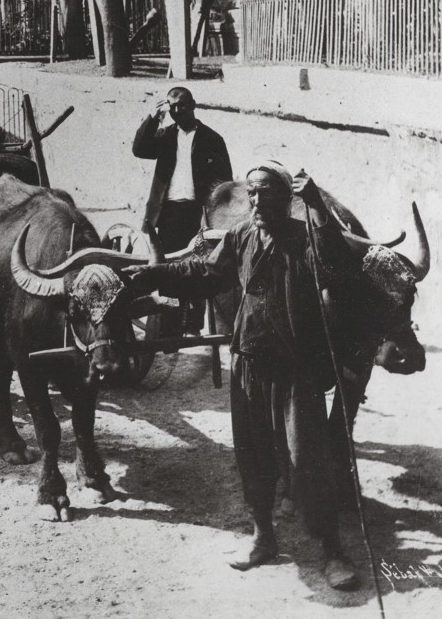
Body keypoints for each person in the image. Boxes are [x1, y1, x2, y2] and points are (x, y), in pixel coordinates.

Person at [122, 162, 361, 591]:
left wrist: (318, 204)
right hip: (249, 366)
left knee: (308, 461)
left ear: (287, 198)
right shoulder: (241, 237)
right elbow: (204, 274)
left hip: (295, 374)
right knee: (253, 458)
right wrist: (155, 274)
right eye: (251, 193)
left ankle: (332, 550)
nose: (255, 201)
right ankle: (263, 538)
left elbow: (339, 265)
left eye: (266, 193)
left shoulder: (306, 240)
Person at [133, 87, 232, 254]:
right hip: (168, 213)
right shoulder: (165, 136)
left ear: (193, 105)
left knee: (196, 264)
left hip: (199, 214)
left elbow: (225, 182)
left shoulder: (212, 139)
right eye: (172, 107)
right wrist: (152, 118)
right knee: (168, 264)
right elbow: (140, 149)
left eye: (182, 105)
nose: (177, 111)